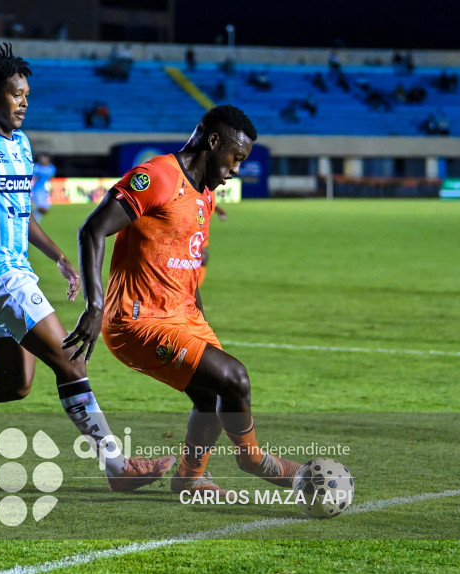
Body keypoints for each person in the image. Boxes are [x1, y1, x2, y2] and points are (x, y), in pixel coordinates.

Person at [0, 43, 173, 492]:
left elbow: (21, 213)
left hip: (12, 274)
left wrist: (59, 257)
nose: (24, 101)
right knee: (72, 361)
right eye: (16, 93)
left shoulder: (19, 144)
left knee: (13, 384)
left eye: (26, 94)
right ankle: (117, 467)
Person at [63, 105, 302, 496]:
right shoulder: (156, 177)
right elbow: (92, 230)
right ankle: (253, 459)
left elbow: (187, 264)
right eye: (235, 158)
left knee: (213, 394)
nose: (237, 169)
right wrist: (95, 306)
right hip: (137, 321)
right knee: (235, 377)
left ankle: (190, 477)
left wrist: (201, 325)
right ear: (213, 141)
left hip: (183, 315)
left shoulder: (205, 193)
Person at [31, 153, 56, 221]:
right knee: (42, 209)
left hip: (46, 191)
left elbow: (50, 179)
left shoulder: (51, 168)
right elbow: (32, 179)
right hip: (37, 190)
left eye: (44, 158)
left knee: (44, 210)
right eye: (41, 158)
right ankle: (32, 222)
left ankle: (31, 215)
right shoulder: (35, 167)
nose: (43, 159)